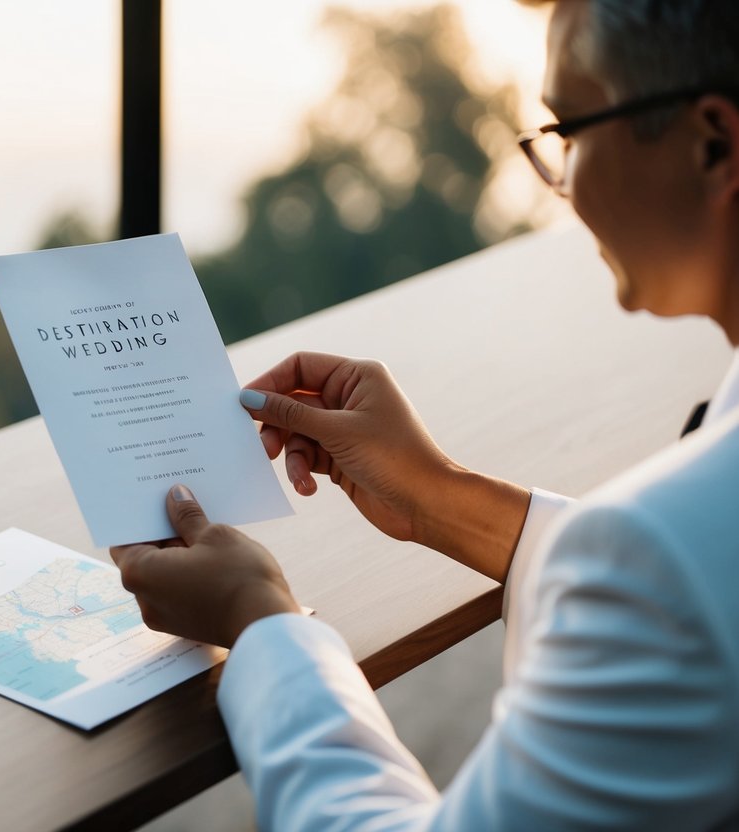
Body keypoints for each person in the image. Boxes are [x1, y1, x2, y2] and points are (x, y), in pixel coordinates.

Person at [110, 1, 739, 828]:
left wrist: (256, 618)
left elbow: (666, 584)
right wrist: (436, 495)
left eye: (570, 132)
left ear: (713, 143)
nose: (558, 183)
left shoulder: (653, 556)